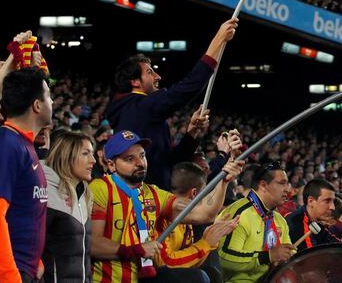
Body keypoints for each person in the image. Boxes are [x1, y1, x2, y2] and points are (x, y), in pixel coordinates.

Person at [90, 130, 243, 283]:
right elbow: (92, 244)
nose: (139, 163)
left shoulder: (154, 194)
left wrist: (224, 180)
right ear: (111, 165)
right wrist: (137, 249)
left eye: (142, 156)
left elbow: (203, 213)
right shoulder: (101, 188)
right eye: (129, 159)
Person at [106, 18, 238, 188]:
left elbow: (171, 162)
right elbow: (189, 86)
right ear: (135, 82)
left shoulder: (135, 112)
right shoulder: (141, 106)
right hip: (146, 202)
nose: (158, 77)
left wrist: (192, 132)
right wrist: (218, 39)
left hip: (156, 197)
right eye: (150, 72)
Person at [0, 67, 52, 283]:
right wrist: (11, 277)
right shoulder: (5, 144)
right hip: (10, 273)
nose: (52, 103)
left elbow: (26, 211)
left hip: (26, 268)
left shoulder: (23, 144)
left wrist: (36, 261)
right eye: (48, 97)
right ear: (37, 105)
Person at [157, 162, 241, 283]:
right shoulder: (162, 213)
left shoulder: (188, 217)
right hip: (150, 276)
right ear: (194, 193)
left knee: (212, 273)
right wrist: (205, 244)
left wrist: (210, 238)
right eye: (204, 193)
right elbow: (165, 263)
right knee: (199, 277)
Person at [217, 161, 295, 282]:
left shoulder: (280, 220)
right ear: (263, 185)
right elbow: (224, 258)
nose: (287, 189)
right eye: (281, 183)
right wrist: (268, 256)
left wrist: (287, 257)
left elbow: (289, 251)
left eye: (287, 183)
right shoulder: (239, 213)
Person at [42, 131, 97, 283]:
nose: (93, 160)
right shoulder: (46, 193)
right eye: (86, 153)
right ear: (67, 156)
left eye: (92, 154)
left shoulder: (84, 194)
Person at [286, 178, 342, 249]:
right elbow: (313, 257)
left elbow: (333, 244)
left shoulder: (316, 222)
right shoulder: (297, 222)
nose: (332, 207)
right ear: (311, 201)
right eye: (327, 201)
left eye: (332, 201)